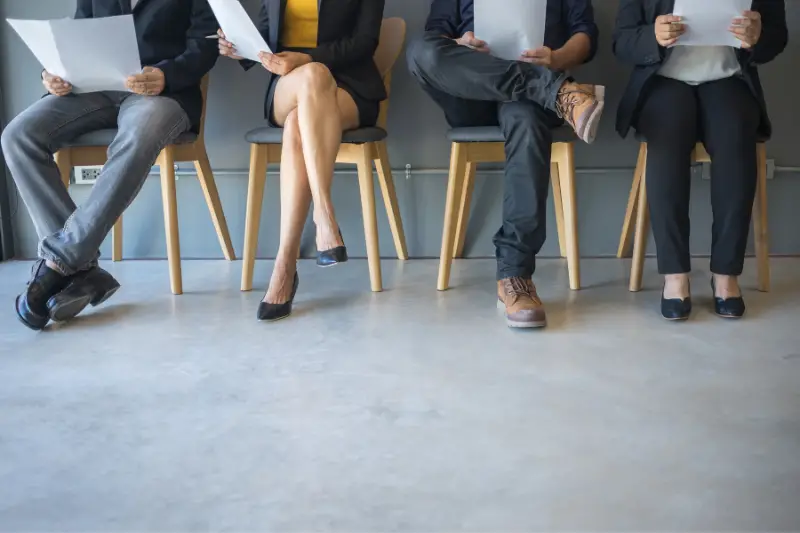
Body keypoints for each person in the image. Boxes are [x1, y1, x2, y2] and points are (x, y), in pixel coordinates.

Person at [1, 0, 219, 331]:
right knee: (18, 135)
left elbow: (208, 42)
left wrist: (165, 75)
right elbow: (77, 40)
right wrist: (54, 75)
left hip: (163, 94)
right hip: (93, 91)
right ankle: (81, 267)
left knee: (139, 132)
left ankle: (60, 263)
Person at [407, 0, 603, 329]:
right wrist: (462, 45)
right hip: (470, 90)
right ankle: (558, 93)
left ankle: (515, 276)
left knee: (525, 119)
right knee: (419, 50)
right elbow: (436, 34)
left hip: (530, 103)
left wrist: (556, 59)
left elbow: (585, 35)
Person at [613, 0, 787, 320]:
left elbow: (778, 36)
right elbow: (621, 41)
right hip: (663, 82)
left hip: (729, 80)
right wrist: (653, 36)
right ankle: (675, 274)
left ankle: (726, 274)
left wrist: (758, 36)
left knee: (736, 138)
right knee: (666, 141)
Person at [218, 0, 386, 322]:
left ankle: (284, 266)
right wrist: (239, 46)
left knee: (300, 116)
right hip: (289, 85)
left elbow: (365, 42)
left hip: (349, 87)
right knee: (311, 78)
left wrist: (309, 58)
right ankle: (324, 217)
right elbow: (266, 39)